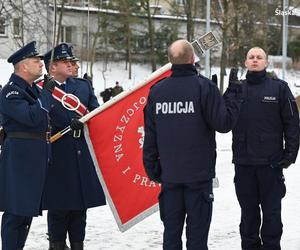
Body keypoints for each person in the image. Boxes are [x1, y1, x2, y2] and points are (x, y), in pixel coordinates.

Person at [143, 39, 242, 250]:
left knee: (171, 235)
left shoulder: (157, 91)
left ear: (170, 61)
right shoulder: (204, 87)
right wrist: (232, 94)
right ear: (192, 59)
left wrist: (153, 169)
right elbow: (223, 123)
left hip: (169, 176)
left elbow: (150, 136)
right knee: (197, 237)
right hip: (198, 177)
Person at [230, 47, 299, 250]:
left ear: (266, 63)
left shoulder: (279, 88)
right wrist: (228, 92)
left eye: (259, 57)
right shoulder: (238, 88)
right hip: (244, 165)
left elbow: (292, 123)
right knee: (248, 215)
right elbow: (223, 119)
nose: (255, 60)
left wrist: (290, 154)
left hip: (271, 164)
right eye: (251, 57)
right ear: (245, 62)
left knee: (272, 214)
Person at [42, 43, 106, 250]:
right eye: (66, 62)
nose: (72, 65)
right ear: (52, 67)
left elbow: (97, 114)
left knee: (80, 211)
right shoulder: (40, 89)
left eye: (72, 62)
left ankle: (78, 244)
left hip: (80, 157)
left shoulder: (82, 86)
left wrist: (86, 121)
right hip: (57, 159)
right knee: (58, 210)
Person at [0, 41, 54, 250]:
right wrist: (46, 94)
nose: (41, 64)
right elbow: (32, 118)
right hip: (20, 159)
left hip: (33, 158)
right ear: (23, 66)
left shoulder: (30, 90)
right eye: (36, 60)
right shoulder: (11, 92)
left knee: (25, 213)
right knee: (16, 212)